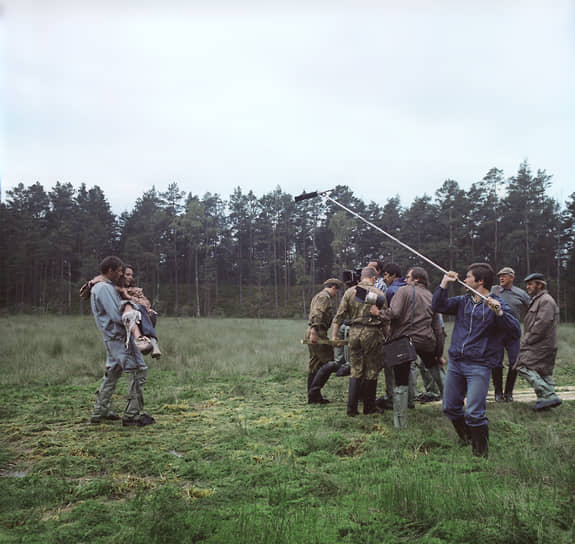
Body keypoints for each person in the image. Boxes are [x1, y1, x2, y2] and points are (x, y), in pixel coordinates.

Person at [432, 263, 520, 458]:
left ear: (480, 281)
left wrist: (499, 312)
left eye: (468, 277)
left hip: (479, 365)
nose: (464, 280)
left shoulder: (497, 302)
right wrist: (444, 283)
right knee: (450, 407)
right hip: (456, 362)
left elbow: (515, 331)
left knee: (473, 412)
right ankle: (467, 438)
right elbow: (438, 306)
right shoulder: (463, 301)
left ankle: (480, 456)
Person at [90, 256, 155, 427]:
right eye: (119, 271)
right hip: (120, 339)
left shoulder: (102, 286)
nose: (121, 274)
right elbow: (117, 315)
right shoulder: (103, 289)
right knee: (138, 370)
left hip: (113, 339)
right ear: (110, 270)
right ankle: (132, 416)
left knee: (113, 373)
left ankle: (100, 410)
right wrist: (137, 312)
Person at [376, 266, 445, 427]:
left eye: (408, 277)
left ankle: (400, 422)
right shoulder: (431, 296)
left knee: (401, 381)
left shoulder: (404, 291)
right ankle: (453, 407)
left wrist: (377, 313)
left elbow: (395, 313)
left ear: (416, 279)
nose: (405, 280)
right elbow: (438, 330)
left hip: (404, 341)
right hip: (427, 342)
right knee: (437, 372)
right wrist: (438, 353)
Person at [332, 267, 388, 416]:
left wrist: (335, 335)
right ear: (374, 278)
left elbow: (339, 316)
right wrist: (386, 336)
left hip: (354, 333)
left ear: (362, 277)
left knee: (355, 369)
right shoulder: (379, 294)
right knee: (371, 370)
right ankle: (369, 408)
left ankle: (351, 409)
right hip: (371, 333)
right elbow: (384, 320)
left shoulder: (349, 292)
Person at [514, 273, 562, 411]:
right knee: (544, 372)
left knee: (521, 365)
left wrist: (527, 340)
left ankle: (548, 394)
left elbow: (542, 324)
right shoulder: (538, 300)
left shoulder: (545, 300)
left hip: (541, 344)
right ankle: (547, 405)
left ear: (539, 285)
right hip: (544, 344)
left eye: (530, 284)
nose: (527, 287)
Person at [490, 266, 530, 401]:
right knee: (496, 363)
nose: (501, 277)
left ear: (512, 278)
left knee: (515, 362)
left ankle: (509, 392)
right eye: (500, 275)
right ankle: (498, 393)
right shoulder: (493, 290)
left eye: (504, 275)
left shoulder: (521, 293)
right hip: (495, 332)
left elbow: (531, 309)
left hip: (513, 333)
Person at [305, 278, 344, 404]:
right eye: (337, 291)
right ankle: (314, 393)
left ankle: (313, 397)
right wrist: (314, 332)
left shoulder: (319, 296)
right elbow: (317, 314)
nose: (336, 294)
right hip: (318, 332)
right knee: (330, 362)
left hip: (315, 331)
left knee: (315, 364)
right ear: (333, 287)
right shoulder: (324, 298)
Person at [121, 265, 162, 359]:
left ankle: (151, 342)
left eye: (131, 275)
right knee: (140, 307)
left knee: (152, 314)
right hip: (126, 317)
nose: (130, 277)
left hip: (140, 316)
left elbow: (146, 302)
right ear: (120, 275)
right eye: (127, 274)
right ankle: (152, 343)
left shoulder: (135, 290)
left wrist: (147, 308)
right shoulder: (117, 289)